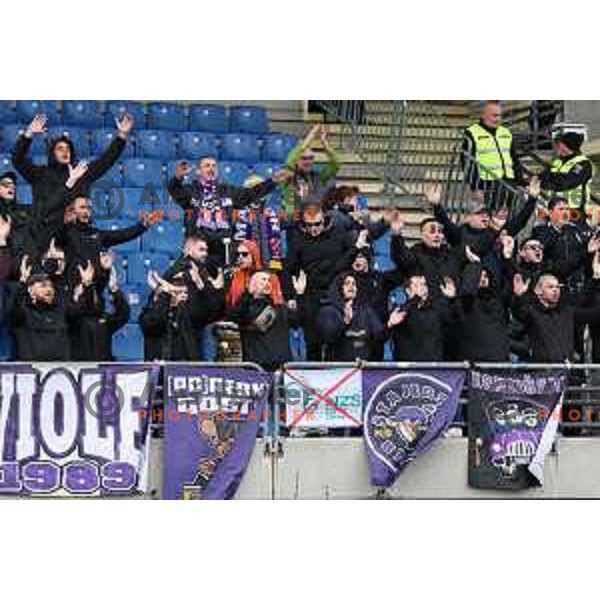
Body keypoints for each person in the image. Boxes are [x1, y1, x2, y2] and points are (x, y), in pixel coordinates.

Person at [11, 113, 133, 254]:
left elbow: (107, 160)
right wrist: (29, 133)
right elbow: (17, 159)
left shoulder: (81, 173)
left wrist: (122, 135)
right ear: (52, 153)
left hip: (74, 238)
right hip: (44, 236)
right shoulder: (40, 173)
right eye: (60, 148)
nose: (65, 151)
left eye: (68, 148)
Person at [168, 157, 289, 266]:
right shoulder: (190, 191)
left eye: (214, 166)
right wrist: (178, 178)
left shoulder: (228, 191)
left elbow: (251, 194)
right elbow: (175, 191)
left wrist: (273, 181)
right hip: (198, 248)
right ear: (198, 171)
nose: (211, 168)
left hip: (224, 250)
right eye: (207, 165)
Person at [285, 203, 365, 360]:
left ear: (324, 221)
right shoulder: (298, 241)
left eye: (317, 224)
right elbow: (289, 269)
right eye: (309, 225)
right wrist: (291, 296)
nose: (313, 228)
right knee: (312, 342)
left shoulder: (338, 234)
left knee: (337, 340)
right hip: (310, 294)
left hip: (335, 292)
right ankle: (314, 380)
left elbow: (350, 258)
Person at [8, 258, 90, 361]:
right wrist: (22, 283)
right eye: (43, 286)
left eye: (51, 286)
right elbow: (13, 308)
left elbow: (80, 312)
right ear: (30, 290)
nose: (49, 289)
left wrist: (87, 286)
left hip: (60, 371)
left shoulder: (62, 311)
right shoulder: (23, 314)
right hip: (32, 373)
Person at [62, 195, 153, 287]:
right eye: (82, 207)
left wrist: (142, 226)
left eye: (89, 208)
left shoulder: (97, 234)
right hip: (71, 290)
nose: (86, 211)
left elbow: (122, 235)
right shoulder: (65, 233)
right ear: (73, 210)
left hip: (93, 290)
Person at [140, 264, 225, 361]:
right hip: (159, 369)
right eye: (176, 289)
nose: (181, 294)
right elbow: (156, 320)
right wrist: (165, 295)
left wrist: (204, 288)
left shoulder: (190, 312)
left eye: (184, 291)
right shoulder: (148, 314)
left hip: (185, 370)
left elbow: (214, 311)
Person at [228, 270, 305, 371]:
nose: (267, 283)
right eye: (263, 280)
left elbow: (299, 321)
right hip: (257, 368)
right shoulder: (246, 307)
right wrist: (248, 293)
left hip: (281, 368)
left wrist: (300, 296)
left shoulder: (281, 308)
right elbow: (235, 316)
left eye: (269, 280)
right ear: (252, 284)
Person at [461, 100, 524, 209]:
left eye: (500, 116)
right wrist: (475, 187)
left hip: (509, 182)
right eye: (494, 116)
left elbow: (514, 159)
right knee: (491, 219)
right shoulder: (471, 132)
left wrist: (521, 182)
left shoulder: (506, 132)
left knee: (511, 218)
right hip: (487, 184)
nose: (498, 119)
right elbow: (467, 162)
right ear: (484, 115)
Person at [68, 254, 130, 361]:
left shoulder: (104, 320)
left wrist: (114, 289)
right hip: (80, 371)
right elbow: (74, 312)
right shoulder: (73, 320)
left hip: (103, 372)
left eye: (95, 295)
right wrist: (85, 286)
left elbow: (124, 314)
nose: (94, 298)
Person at [316, 272, 384, 361]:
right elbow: (328, 337)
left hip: (363, 369)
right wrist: (345, 322)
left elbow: (379, 336)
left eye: (354, 284)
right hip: (338, 370)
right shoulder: (327, 310)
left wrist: (389, 324)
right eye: (347, 283)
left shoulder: (366, 311)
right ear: (339, 287)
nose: (351, 287)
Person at [387, 274, 456, 361]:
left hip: (433, 366)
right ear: (408, 291)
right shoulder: (401, 309)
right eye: (416, 285)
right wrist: (416, 298)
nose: (421, 288)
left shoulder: (437, 309)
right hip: (408, 368)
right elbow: (395, 320)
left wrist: (451, 299)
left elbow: (454, 319)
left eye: (423, 284)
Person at [281, 124, 340, 215]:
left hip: (314, 219)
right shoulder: (289, 175)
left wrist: (324, 143)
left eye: (311, 158)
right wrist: (311, 135)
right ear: (296, 160)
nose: (308, 161)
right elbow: (290, 161)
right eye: (304, 158)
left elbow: (336, 165)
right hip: (294, 219)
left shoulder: (319, 176)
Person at [540, 131, 594, 216]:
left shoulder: (582, 163)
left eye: (560, 143)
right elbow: (544, 175)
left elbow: (567, 183)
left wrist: (543, 183)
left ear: (566, 146)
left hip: (574, 211)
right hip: (554, 208)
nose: (556, 145)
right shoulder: (557, 160)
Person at [227, 239, 283, 309]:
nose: (240, 257)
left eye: (245, 254)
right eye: (238, 254)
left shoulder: (269, 277)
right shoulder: (236, 275)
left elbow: (277, 303)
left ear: (253, 255)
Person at [0, 170, 32, 262]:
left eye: (13, 185)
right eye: (6, 185)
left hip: (24, 262)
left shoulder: (23, 210)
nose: (12, 187)